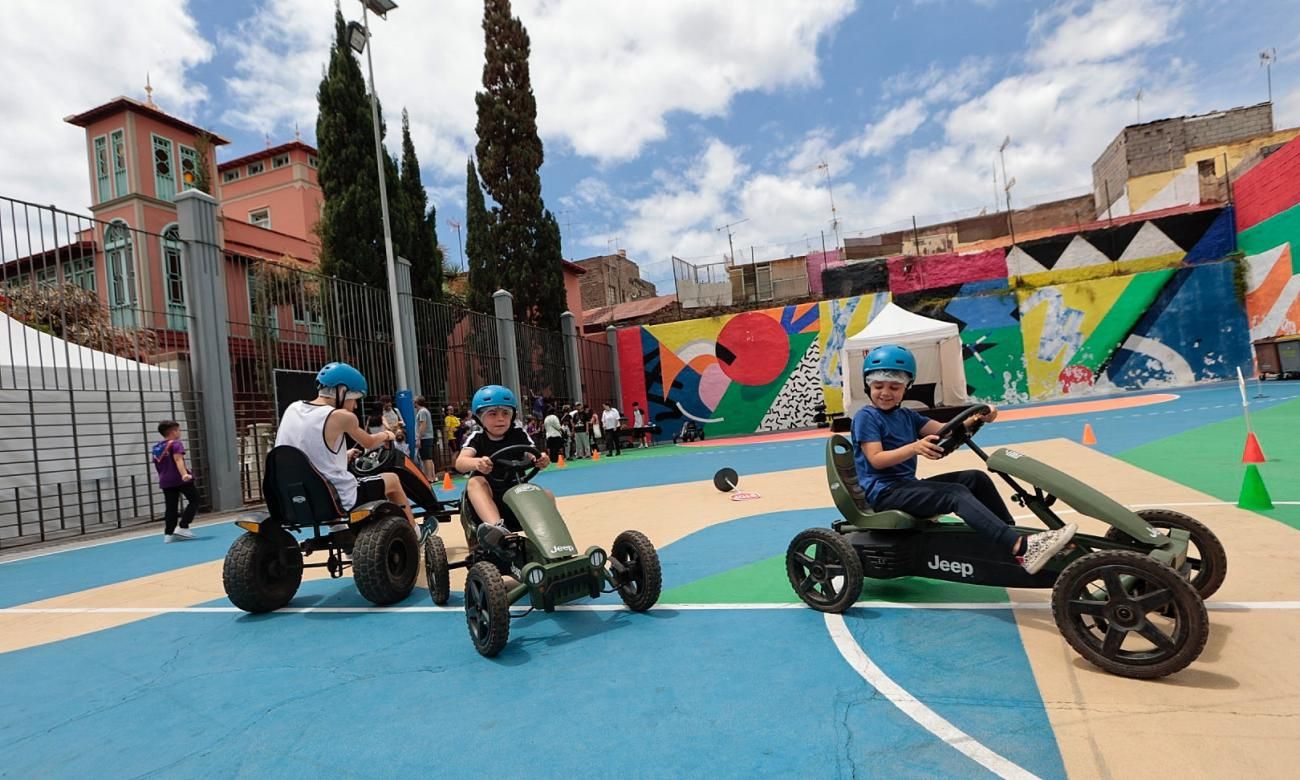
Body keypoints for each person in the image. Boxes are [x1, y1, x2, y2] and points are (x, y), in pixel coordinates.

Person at [852, 344, 1076, 574]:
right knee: (954, 494)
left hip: (907, 486)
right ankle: (1021, 547)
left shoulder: (907, 415)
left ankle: (1007, 536)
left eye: (894, 387)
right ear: (868, 385)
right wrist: (915, 447)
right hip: (884, 493)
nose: (886, 393)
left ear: (906, 387)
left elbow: (945, 431)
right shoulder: (867, 417)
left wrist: (977, 418)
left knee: (974, 478)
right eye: (878, 386)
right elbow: (876, 459)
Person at [275, 362, 417, 536]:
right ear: (342, 391)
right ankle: (414, 534)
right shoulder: (341, 416)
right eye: (355, 399)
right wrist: (387, 435)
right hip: (333, 498)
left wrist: (344, 455)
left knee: (326, 483)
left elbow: (307, 450)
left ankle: (341, 534)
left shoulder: (293, 408)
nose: (355, 406)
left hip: (289, 497)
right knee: (393, 480)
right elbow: (369, 442)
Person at [456, 385, 550, 547]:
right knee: (475, 483)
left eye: (505, 413)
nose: (500, 418)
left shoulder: (518, 434)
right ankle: (497, 529)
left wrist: (540, 459)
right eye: (492, 414)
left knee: (546, 495)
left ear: (512, 416)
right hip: (488, 500)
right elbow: (460, 463)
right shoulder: (477, 438)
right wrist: (477, 463)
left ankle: (547, 539)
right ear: (480, 418)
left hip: (517, 496)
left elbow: (532, 453)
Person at [153, 420, 197, 543]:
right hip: (179, 479)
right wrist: (184, 474)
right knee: (194, 500)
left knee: (171, 507)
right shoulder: (176, 444)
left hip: (165, 480)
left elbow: (158, 465)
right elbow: (178, 460)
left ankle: (168, 534)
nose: (179, 432)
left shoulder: (157, 447)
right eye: (178, 430)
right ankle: (183, 526)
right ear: (173, 431)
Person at [415, 395, 436, 480]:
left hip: (424, 437)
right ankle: (432, 476)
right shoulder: (425, 411)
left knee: (426, 458)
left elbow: (422, 424)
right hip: (428, 436)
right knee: (428, 458)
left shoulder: (422, 412)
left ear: (417, 402)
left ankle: (428, 477)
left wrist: (419, 438)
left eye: (414, 400)